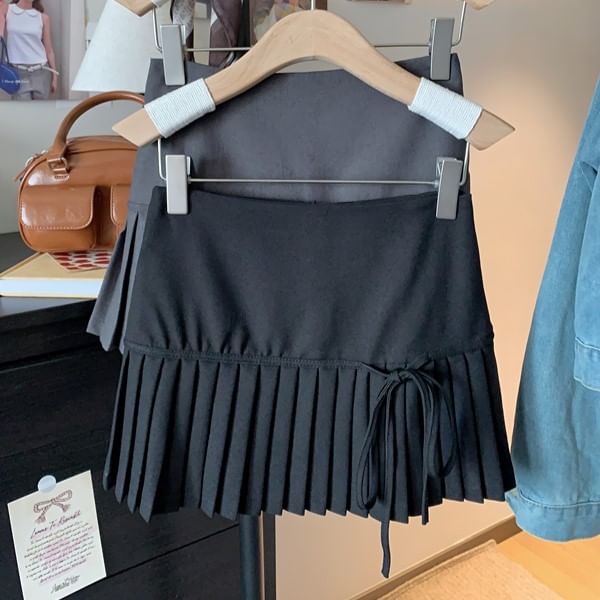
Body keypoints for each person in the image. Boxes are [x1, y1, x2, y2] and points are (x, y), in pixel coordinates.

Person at [0, 0, 57, 100]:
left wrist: (55, 77)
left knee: (41, 109)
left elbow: (49, 50)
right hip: (17, 73)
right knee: (21, 109)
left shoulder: (43, 17)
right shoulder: (7, 9)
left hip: (41, 72)